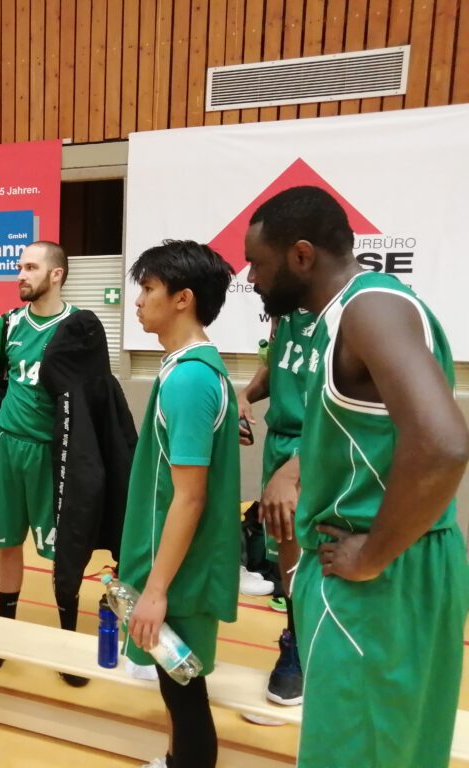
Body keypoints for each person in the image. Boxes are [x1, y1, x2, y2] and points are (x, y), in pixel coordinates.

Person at [244, 185, 469, 768]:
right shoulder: (346, 314)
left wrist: (372, 554)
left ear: (300, 256)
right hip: (400, 564)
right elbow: (371, 432)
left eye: (258, 263)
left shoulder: (370, 309)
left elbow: (444, 446)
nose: (251, 277)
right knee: (398, 750)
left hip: (381, 573)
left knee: (357, 753)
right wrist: (297, 467)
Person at [120, 240, 240, 768]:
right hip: (176, 566)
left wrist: (156, 590)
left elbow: (190, 498)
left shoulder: (190, 378)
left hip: (182, 574)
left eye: (148, 289)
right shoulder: (187, 369)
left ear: (183, 299)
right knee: (176, 689)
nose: (139, 300)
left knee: (185, 694)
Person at [0, 241, 84, 684]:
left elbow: (92, 399)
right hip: (8, 448)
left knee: (61, 550)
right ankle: (3, 633)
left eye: (30, 267)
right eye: (19, 267)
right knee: (7, 542)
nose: (20, 274)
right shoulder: (10, 323)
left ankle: (69, 646)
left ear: (56, 274)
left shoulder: (78, 326)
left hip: (53, 455)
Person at [237, 309, 314, 708]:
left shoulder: (348, 310)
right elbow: (278, 366)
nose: (250, 276)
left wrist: (298, 468)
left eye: (257, 263)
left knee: (327, 553)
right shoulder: (284, 314)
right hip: (281, 442)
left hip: (322, 441)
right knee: (287, 552)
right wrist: (246, 394)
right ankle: (295, 644)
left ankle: (321, 652)